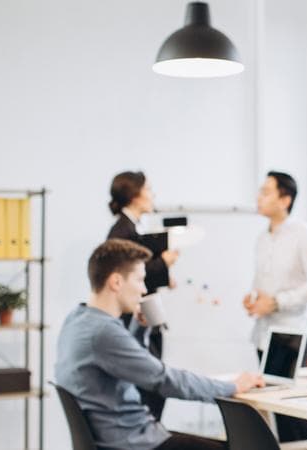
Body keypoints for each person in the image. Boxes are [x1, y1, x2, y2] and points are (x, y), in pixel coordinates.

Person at [55, 239, 263, 450]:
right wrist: (232, 387)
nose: (143, 289)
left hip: (120, 437)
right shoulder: (103, 332)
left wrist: (140, 327)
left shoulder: (78, 319)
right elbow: (164, 379)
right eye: (139, 280)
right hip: (134, 442)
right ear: (116, 282)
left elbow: (128, 364)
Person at [242, 171, 307, 442]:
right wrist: (254, 298)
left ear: (285, 199)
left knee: (292, 413)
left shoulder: (305, 235)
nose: (259, 197)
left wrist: (278, 301)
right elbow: (263, 282)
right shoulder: (263, 237)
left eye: (266, 192)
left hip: (290, 334)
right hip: (263, 334)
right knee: (277, 411)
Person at [107, 170, 179, 420]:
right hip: (134, 320)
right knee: (150, 385)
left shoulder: (135, 227)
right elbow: (123, 276)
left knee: (155, 379)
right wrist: (163, 262)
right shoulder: (121, 231)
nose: (153, 195)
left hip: (146, 314)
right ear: (134, 195)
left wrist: (164, 274)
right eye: (148, 190)